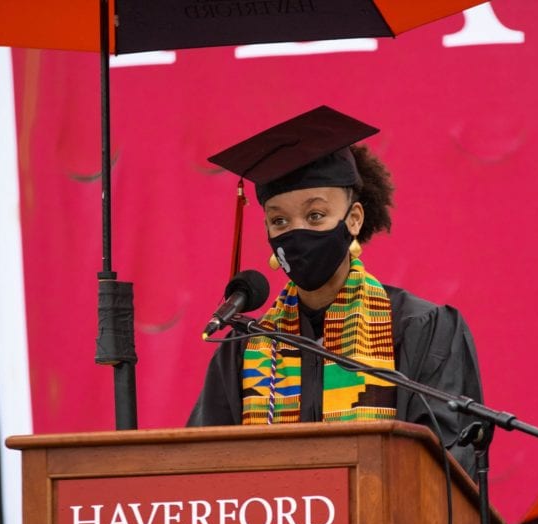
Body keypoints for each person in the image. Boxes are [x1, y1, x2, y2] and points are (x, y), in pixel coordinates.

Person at [187, 105, 484, 474]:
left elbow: (448, 464)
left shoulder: (420, 328)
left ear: (353, 219)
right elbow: (204, 470)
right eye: (279, 220)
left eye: (315, 216)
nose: (296, 231)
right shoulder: (245, 348)